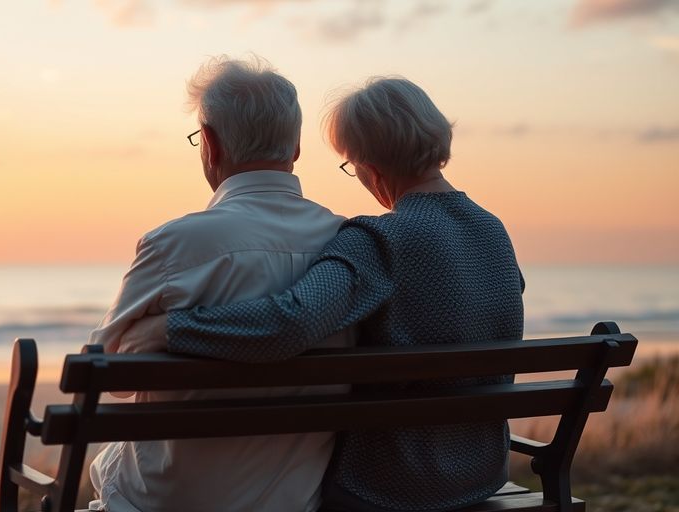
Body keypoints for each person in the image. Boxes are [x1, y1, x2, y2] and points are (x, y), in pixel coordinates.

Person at [119, 77, 525, 512]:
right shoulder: (492, 231)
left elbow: (291, 323)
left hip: (392, 487)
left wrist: (173, 327)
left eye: (350, 165)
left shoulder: (377, 240)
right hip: (481, 474)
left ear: (369, 166)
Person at [86, 55, 352, 512]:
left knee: (107, 467)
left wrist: (163, 332)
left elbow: (110, 377)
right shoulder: (348, 243)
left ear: (209, 144)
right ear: (296, 148)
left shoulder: (175, 244)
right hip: (294, 502)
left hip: (167, 501)